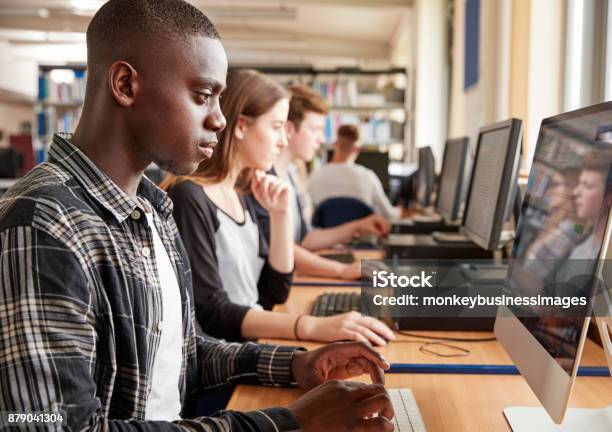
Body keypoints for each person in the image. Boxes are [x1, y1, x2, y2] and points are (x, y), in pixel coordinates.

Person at [0, 2, 396, 431]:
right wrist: (286, 424)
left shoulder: (153, 209)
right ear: (125, 84)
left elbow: (187, 353)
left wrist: (296, 364)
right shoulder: (43, 223)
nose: (221, 119)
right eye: (203, 95)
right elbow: (51, 427)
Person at [162, 69, 394, 347]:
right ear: (241, 127)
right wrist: (310, 326)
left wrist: (281, 215)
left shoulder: (242, 194)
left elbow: (275, 292)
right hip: (221, 363)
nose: (283, 141)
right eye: (276, 127)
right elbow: (213, 313)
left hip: (251, 346)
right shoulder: (190, 196)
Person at [250, 84, 391, 280]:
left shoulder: (290, 173)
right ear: (289, 128)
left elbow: (304, 240)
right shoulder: (262, 179)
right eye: (315, 129)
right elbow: (281, 247)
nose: (322, 138)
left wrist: (358, 226)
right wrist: (342, 270)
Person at [308, 124, 401, 219]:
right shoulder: (367, 177)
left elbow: (309, 215)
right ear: (357, 150)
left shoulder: (315, 177)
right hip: (360, 233)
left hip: (323, 233)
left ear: (335, 144)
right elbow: (389, 215)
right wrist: (402, 211)